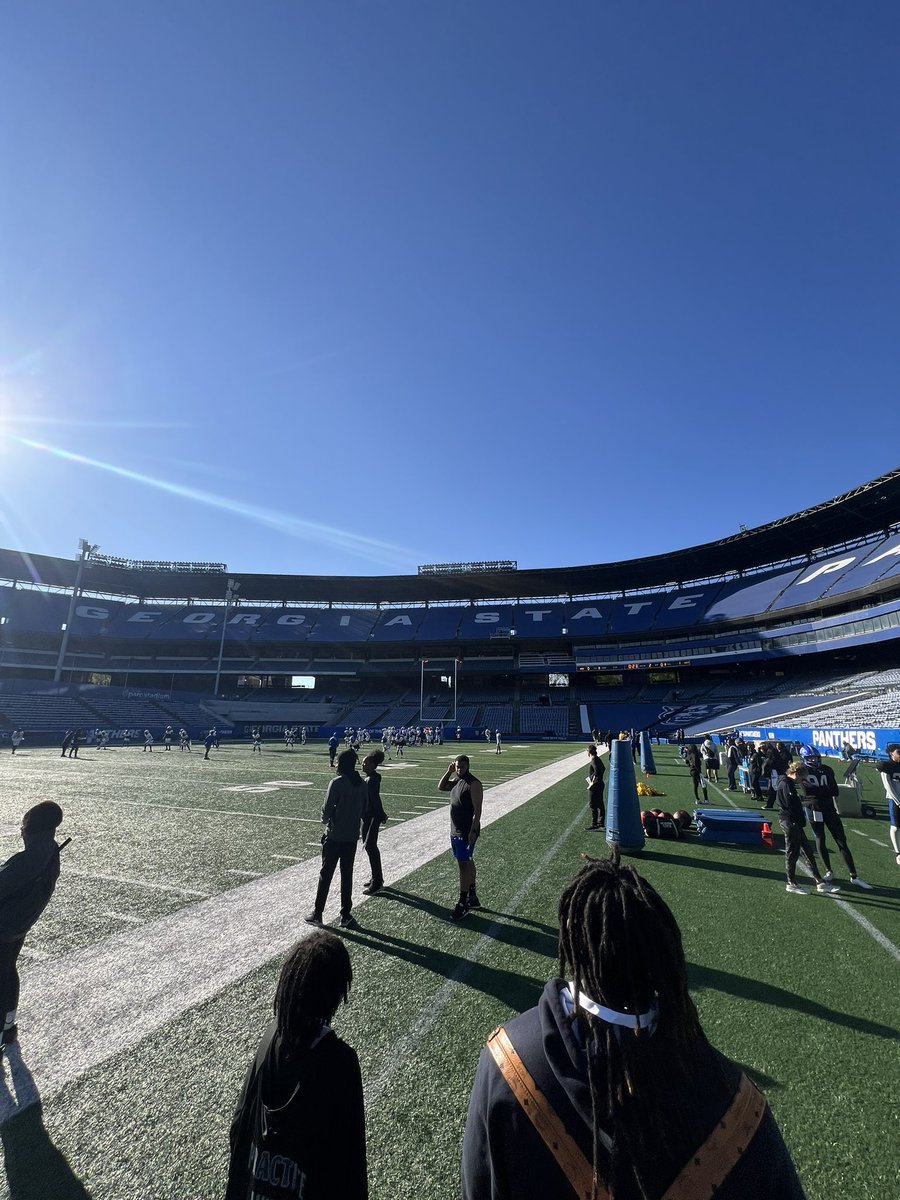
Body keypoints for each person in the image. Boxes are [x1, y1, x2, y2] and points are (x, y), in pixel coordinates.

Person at [461, 851, 807, 1200]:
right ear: (660, 951)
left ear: (572, 941)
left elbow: (477, 1184)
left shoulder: (508, 1060)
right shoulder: (735, 1098)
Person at [225, 930, 367, 1200]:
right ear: (336, 994)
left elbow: (239, 1124)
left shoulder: (270, 1038)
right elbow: (350, 1167)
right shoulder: (340, 1062)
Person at [0, 802, 66, 1055]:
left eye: (24, 822)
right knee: (7, 970)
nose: (21, 827)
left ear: (32, 826)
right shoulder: (49, 850)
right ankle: (8, 1025)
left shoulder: (28, 859)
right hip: (19, 923)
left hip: (5, 924)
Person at [306, 750, 366, 929]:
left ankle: (318, 913)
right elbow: (364, 809)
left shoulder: (337, 783)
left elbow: (326, 811)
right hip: (351, 836)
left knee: (325, 875)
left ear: (342, 764)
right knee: (347, 875)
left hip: (334, 836)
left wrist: (327, 819)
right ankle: (345, 915)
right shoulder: (362, 784)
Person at [798, 746, 872, 889]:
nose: (814, 760)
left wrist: (818, 791)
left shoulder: (827, 769)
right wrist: (821, 791)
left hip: (828, 808)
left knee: (841, 840)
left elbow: (834, 791)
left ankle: (854, 875)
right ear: (804, 759)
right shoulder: (802, 771)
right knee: (820, 838)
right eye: (810, 758)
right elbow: (808, 790)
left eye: (816, 758)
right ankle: (828, 871)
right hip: (814, 809)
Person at [777, 762, 840, 896]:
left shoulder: (788, 783)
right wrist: (797, 819)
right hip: (790, 822)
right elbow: (789, 805)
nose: (802, 781)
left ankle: (819, 881)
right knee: (792, 853)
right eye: (801, 777)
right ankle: (791, 883)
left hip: (794, 822)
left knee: (807, 852)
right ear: (795, 773)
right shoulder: (786, 784)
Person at [438, 755, 483, 921]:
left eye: (462, 767)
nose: (459, 770)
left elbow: (478, 810)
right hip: (455, 830)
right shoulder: (457, 781)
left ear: (468, 766)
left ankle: (463, 903)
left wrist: (472, 831)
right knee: (467, 862)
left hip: (465, 831)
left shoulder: (474, 783)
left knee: (464, 866)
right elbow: (441, 786)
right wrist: (448, 772)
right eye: (457, 767)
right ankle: (473, 897)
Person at [361, 750, 388, 895]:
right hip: (369, 816)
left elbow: (374, 800)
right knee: (370, 847)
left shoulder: (371, 780)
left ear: (372, 764)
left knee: (370, 847)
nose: (362, 765)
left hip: (371, 817)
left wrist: (381, 814)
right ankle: (376, 877)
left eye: (365, 763)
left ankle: (377, 881)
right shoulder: (371, 778)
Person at [876, 743, 900, 866]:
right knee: (895, 826)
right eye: (898, 752)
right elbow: (888, 786)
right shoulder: (886, 766)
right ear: (891, 753)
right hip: (895, 799)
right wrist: (898, 801)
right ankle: (898, 853)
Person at [586, 744, 605, 830]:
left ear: (589, 752)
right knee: (600, 803)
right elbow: (603, 768)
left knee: (593, 804)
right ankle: (601, 822)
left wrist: (592, 780)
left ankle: (594, 824)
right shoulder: (597, 759)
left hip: (595, 785)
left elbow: (597, 771)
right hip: (600, 783)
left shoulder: (593, 760)